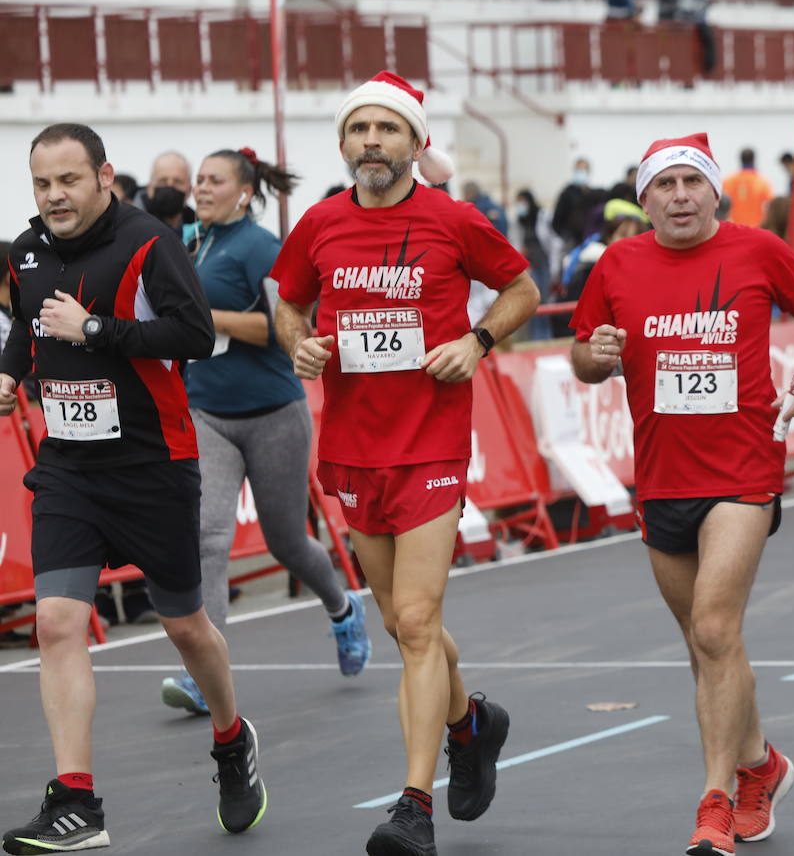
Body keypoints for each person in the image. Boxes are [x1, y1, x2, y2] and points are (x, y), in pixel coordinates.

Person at [269, 71, 538, 856]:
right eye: (360, 130)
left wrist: (476, 341)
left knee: (418, 621)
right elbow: (287, 301)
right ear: (344, 144)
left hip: (432, 444)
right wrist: (301, 343)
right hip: (352, 449)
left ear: (417, 143)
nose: (373, 143)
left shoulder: (452, 220)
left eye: (388, 130)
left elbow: (520, 287)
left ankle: (414, 804)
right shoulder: (319, 223)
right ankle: (472, 724)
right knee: (399, 623)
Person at [569, 133, 794, 856]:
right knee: (706, 646)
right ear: (645, 198)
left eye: (692, 182)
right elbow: (584, 353)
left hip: (743, 469)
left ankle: (715, 801)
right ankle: (762, 765)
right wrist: (592, 359)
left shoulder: (757, 251)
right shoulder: (618, 265)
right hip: (662, 476)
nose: (680, 195)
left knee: (716, 629)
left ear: (715, 191)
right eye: (665, 185)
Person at [1, 123, 266, 853]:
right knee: (57, 622)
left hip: (153, 465)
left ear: (103, 177)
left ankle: (230, 735)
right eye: (41, 184)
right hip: (68, 470)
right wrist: (10, 371)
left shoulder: (151, 244)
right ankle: (76, 804)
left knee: (184, 626)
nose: (54, 196)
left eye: (67, 181)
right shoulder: (26, 250)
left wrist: (96, 331)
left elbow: (192, 333)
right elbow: (27, 325)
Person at [158, 145, 372, 716]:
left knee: (287, 542)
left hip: (274, 412)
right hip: (207, 412)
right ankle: (204, 675)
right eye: (198, 180)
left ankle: (343, 608)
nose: (200, 189)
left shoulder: (261, 248)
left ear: (245, 190)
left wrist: (210, 319)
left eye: (214, 180)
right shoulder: (188, 242)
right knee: (207, 537)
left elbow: (285, 327)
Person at [513, 188, 559, 340]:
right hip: (529, 268)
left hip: (543, 265)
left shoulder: (542, 216)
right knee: (531, 303)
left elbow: (553, 242)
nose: (520, 206)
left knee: (544, 301)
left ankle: (546, 337)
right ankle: (535, 338)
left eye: (523, 202)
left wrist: (555, 269)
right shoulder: (520, 222)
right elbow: (518, 243)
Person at [722, 148, 773, 227]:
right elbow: (770, 206)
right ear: (754, 160)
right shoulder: (762, 182)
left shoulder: (729, 181)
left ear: (740, 160)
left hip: (735, 227)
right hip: (755, 228)